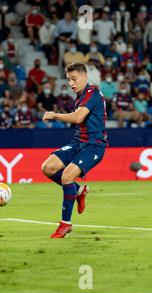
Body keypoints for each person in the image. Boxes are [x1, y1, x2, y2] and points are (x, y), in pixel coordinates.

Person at [41, 62, 107, 238]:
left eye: (74, 79)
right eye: (69, 79)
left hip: (94, 145)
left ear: (84, 77)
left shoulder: (92, 92)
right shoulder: (80, 97)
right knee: (47, 167)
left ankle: (65, 224)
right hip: (78, 142)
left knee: (66, 176)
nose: (71, 83)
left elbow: (78, 118)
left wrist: (54, 115)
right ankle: (78, 191)